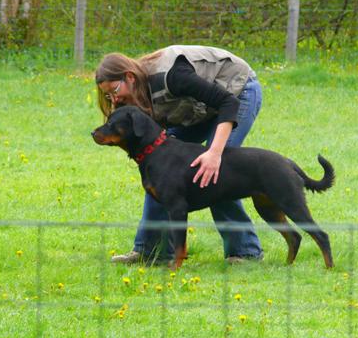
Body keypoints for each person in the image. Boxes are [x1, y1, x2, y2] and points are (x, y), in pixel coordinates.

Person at [95, 45, 264, 264]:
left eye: (115, 91)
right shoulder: (137, 93)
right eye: (107, 96)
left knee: (214, 174)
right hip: (197, 108)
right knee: (160, 170)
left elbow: (227, 102)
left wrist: (214, 154)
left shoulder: (173, 76)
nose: (114, 100)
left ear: (130, 77)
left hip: (237, 92)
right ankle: (151, 251)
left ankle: (246, 252)